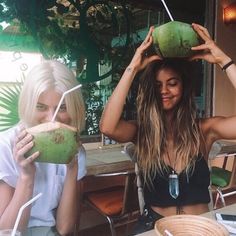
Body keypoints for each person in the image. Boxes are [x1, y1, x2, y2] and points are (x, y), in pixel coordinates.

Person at [99, 23, 236, 234]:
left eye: (172, 83)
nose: (164, 90)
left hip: (198, 227)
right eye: (157, 85)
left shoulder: (205, 129)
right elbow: (108, 127)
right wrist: (133, 68)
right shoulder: (142, 132)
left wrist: (223, 60)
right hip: (155, 228)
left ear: (184, 86)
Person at [0, 60, 86, 236]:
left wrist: (72, 168)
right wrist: (26, 176)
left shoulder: (75, 150)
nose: (52, 119)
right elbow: (7, 230)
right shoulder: (6, 145)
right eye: (41, 107)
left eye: (62, 107)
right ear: (28, 104)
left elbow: (65, 228)